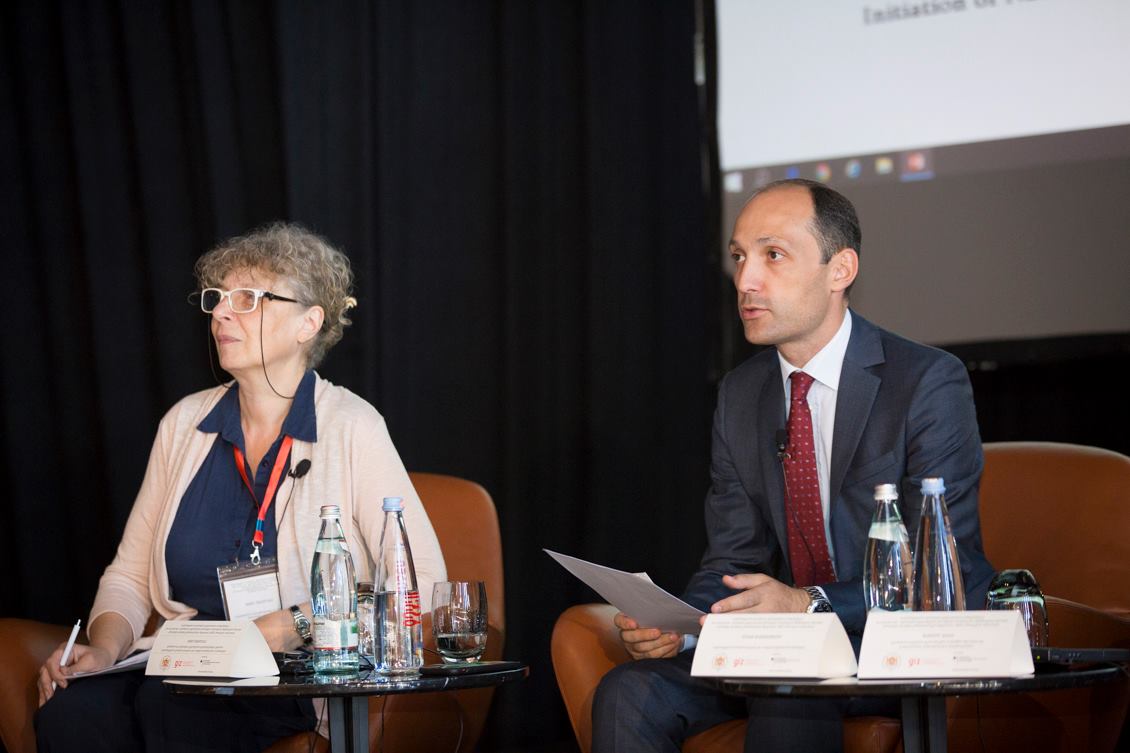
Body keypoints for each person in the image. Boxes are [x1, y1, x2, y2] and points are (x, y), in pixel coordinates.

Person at [592, 179, 995, 752]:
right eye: (739, 257)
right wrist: (681, 628)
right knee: (628, 691)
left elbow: (945, 566)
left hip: (890, 642)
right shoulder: (741, 394)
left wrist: (809, 604)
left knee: (790, 689)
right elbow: (731, 560)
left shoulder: (925, 382)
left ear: (840, 270)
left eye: (773, 255)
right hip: (783, 650)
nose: (745, 281)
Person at [35, 222, 446, 752]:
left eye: (248, 299)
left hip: (291, 675)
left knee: (177, 706)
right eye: (218, 298)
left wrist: (296, 624)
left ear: (308, 324)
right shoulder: (184, 424)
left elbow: (421, 584)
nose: (221, 314)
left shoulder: (352, 427)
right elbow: (129, 577)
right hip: (182, 662)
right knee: (70, 712)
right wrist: (105, 649)